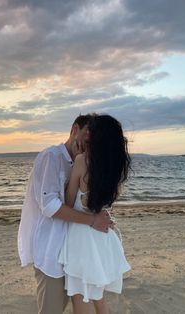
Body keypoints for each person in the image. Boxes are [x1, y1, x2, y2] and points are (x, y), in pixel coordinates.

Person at [18, 114, 113, 314]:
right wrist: (93, 220)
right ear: (74, 128)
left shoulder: (84, 162)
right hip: (51, 250)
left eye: (91, 141)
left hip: (75, 251)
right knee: (52, 309)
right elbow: (49, 206)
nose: (87, 144)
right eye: (86, 138)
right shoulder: (52, 156)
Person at [58, 114, 131, 314]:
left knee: (81, 299)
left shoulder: (82, 161)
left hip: (82, 240)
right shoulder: (116, 168)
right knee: (99, 300)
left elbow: (68, 201)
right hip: (103, 238)